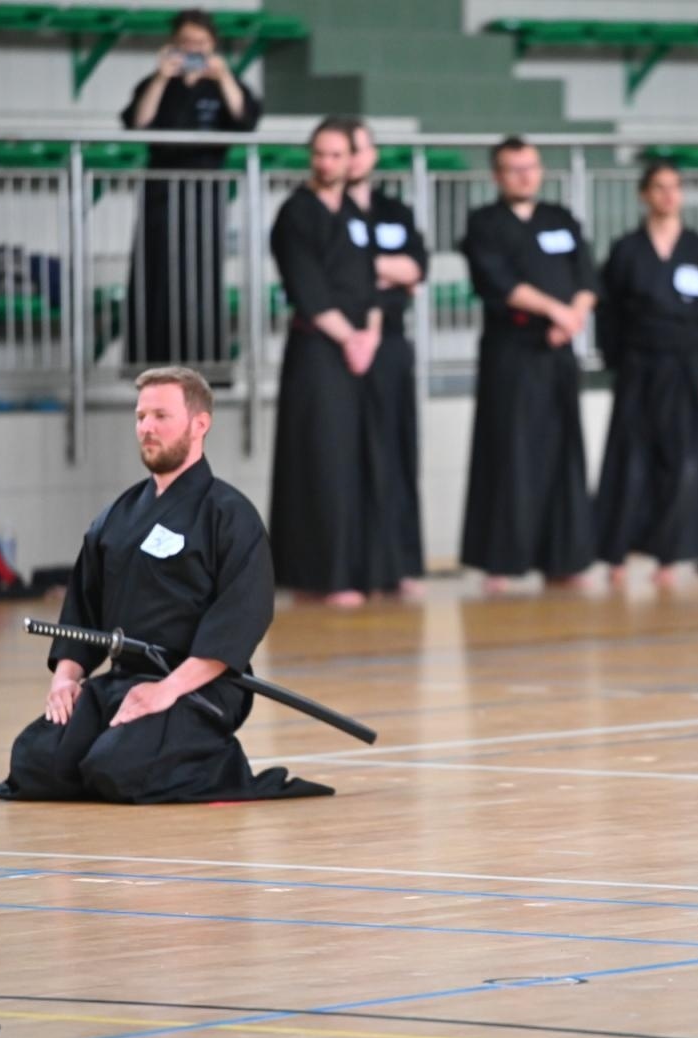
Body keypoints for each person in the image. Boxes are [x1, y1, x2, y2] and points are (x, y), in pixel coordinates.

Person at [0, 368, 331, 804]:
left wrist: (166, 691)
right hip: (125, 681)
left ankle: (217, 762)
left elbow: (241, 618)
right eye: (140, 416)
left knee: (116, 769)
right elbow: (83, 609)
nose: (146, 428)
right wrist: (65, 680)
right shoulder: (117, 516)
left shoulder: (229, 516)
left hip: (197, 688)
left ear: (199, 424)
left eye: (161, 416)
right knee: (35, 764)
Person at [459, 136, 599, 592]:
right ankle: (500, 561)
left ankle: (563, 557)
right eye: (514, 168)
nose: (525, 175)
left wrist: (573, 316)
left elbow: (586, 275)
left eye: (531, 166)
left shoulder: (561, 219)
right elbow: (499, 282)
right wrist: (555, 312)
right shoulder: (485, 224)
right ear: (498, 175)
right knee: (508, 450)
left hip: (558, 350)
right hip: (511, 349)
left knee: (562, 452)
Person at [268, 117, 398, 606]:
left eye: (337, 155)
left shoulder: (355, 215)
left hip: (359, 348)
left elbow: (371, 284)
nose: (328, 163)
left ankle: (358, 569)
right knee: (320, 459)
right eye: (320, 154)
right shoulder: (295, 214)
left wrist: (370, 334)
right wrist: (350, 339)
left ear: (352, 160)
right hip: (319, 349)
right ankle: (318, 575)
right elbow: (307, 287)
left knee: (356, 459)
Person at [594, 159, 698, 586]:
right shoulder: (626, 249)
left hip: (683, 364)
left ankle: (669, 555)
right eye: (660, 188)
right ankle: (616, 554)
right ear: (644, 194)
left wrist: (692, 352)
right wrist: (617, 359)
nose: (669, 195)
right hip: (638, 365)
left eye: (675, 187)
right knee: (629, 461)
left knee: (682, 461)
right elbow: (607, 310)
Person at [121, 8, 262, 367]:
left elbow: (246, 120)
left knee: (202, 274)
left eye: (200, 43)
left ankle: (204, 363)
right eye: (185, 43)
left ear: (213, 44)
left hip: (205, 191)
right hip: (161, 191)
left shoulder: (225, 83)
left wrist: (224, 76)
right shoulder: (157, 82)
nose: (192, 49)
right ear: (173, 44)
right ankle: (151, 364)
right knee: (156, 273)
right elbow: (138, 123)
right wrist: (159, 77)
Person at [346, 120, 429, 597]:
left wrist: (362, 263)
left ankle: (398, 564)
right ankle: (352, 568)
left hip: (393, 345)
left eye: (362, 148)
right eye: (346, 148)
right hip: (347, 344)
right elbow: (330, 270)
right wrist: (383, 269)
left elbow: (416, 271)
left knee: (397, 452)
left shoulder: (395, 210)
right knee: (351, 456)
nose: (355, 157)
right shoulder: (326, 212)